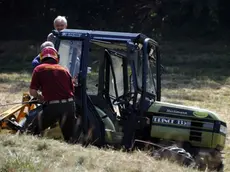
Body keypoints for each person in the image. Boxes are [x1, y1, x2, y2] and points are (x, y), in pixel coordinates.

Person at [29, 46, 77, 143]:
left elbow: (32, 91)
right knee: (70, 138)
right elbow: (72, 89)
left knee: (31, 131)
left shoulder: (39, 69)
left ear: (42, 58)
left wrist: (39, 97)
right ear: (56, 58)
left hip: (53, 107)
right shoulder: (64, 70)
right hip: (69, 106)